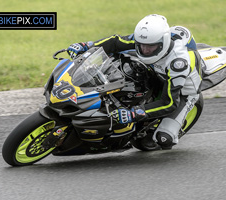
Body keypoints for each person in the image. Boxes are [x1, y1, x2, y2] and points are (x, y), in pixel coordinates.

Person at [67, 14, 202, 150]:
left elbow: (169, 103)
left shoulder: (178, 63)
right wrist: (87, 46)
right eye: (141, 45)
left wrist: (134, 113)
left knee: (164, 139)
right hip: (157, 73)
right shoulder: (147, 41)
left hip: (183, 92)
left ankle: (158, 128)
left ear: (163, 42)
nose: (145, 50)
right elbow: (116, 42)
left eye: (151, 47)